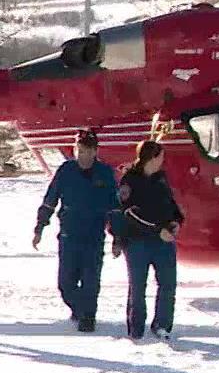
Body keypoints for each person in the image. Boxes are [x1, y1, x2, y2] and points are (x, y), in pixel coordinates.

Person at [32, 129, 121, 332]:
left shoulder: (105, 173)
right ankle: (80, 308)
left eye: (88, 151)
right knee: (66, 284)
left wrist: (117, 237)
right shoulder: (66, 171)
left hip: (94, 237)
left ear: (95, 152)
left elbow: (114, 208)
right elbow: (50, 200)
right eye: (80, 151)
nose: (84, 156)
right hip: (69, 236)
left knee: (91, 280)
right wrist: (39, 227)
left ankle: (88, 316)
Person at [119, 139, 185, 341]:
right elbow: (130, 213)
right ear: (151, 158)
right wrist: (157, 230)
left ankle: (162, 325)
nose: (163, 161)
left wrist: (177, 221)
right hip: (138, 241)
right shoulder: (129, 180)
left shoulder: (161, 178)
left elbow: (170, 203)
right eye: (161, 157)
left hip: (164, 241)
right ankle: (136, 328)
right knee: (138, 286)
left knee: (168, 284)